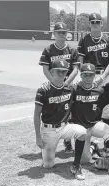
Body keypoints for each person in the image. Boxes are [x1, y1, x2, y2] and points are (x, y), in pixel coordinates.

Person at [34, 59, 87, 180]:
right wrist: (38, 137)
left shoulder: (70, 89)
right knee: (48, 165)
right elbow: (36, 114)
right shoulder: (44, 90)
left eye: (64, 72)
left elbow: (85, 89)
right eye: (58, 71)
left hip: (64, 127)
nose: (61, 74)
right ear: (52, 72)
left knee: (82, 132)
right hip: (49, 130)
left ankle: (76, 165)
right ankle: (47, 155)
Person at [70, 63, 109, 180]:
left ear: (94, 76)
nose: (88, 78)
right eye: (85, 75)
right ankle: (93, 146)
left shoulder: (100, 91)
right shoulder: (74, 90)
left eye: (90, 75)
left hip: (94, 125)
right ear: (81, 75)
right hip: (80, 130)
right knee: (85, 161)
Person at [38, 22, 79, 154]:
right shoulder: (49, 50)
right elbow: (45, 69)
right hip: (54, 85)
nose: (62, 34)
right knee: (56, 110)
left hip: (68, 84)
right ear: (54, 34)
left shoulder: (72, 50)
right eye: (59, 32)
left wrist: (66, 83)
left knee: (71, 111)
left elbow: (76, 69)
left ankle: (68, 140)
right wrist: (54, 83)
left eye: (64, 32)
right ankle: (53, 138)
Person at [77, 13, 109, 128]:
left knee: (106, 109)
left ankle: (107, 139)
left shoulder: (108, 40)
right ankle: (91, 140)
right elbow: (80, 60)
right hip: (89, 76)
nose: (95, 24)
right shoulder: (84, 40)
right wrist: (86, 77)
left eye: (97, 22)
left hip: (104, 76)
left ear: (101, 24)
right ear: (89, 24)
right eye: (92, 22)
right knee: (89, 106)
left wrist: (102, 77)